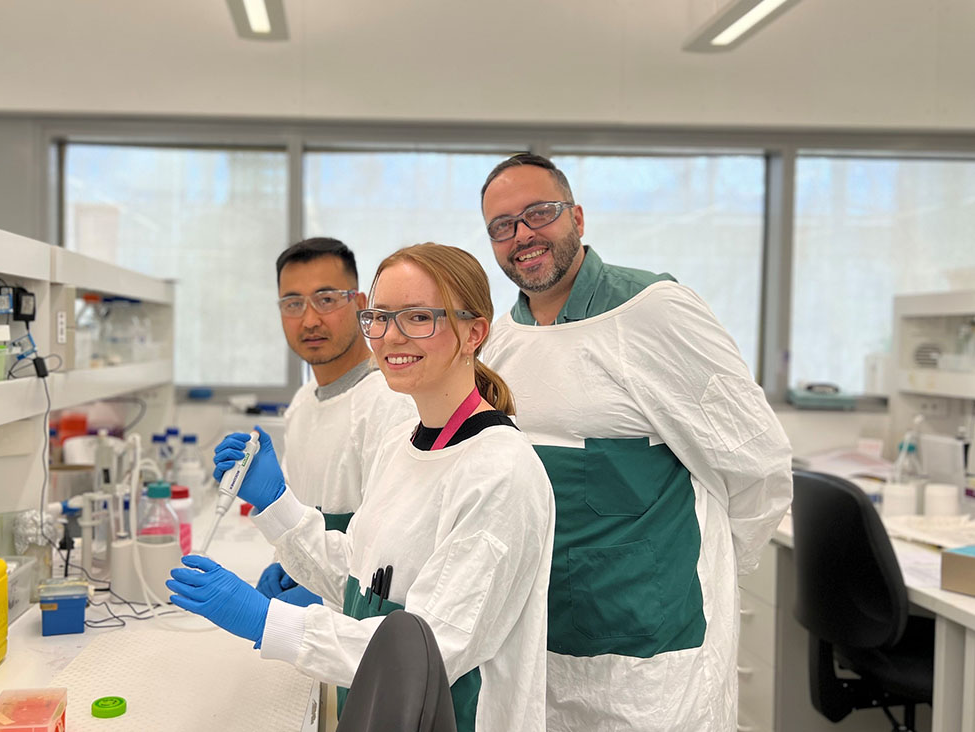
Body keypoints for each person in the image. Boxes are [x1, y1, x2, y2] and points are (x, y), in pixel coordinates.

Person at [168, 243, 555, 732]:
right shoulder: (404, 443)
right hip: (381, 709)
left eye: (417, 317)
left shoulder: (501, 472)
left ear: (474, 332)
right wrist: (276, 507)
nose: (391, 337)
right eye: (381, 317)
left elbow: (428, 652)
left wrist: (267, 621)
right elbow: (364, 580)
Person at [478, 153, 793, 731]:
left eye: (538, 214)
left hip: (649, 657)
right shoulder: (499, 343)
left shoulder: (653, 312)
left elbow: (759, 465)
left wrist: (717, 571)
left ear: (576, 217)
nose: (522, 235)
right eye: (502, 225)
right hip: (539, 644)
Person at [258, 237, 417, 607]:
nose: (310, 319)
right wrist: (288, 562)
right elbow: (301, 518)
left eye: (326, 299)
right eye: (293, 303)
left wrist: (324, 596)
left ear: (360, 305)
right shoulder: (301, 404)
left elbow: (394, 554)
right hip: (311, 631)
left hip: (363, 623)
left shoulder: (391, 402)